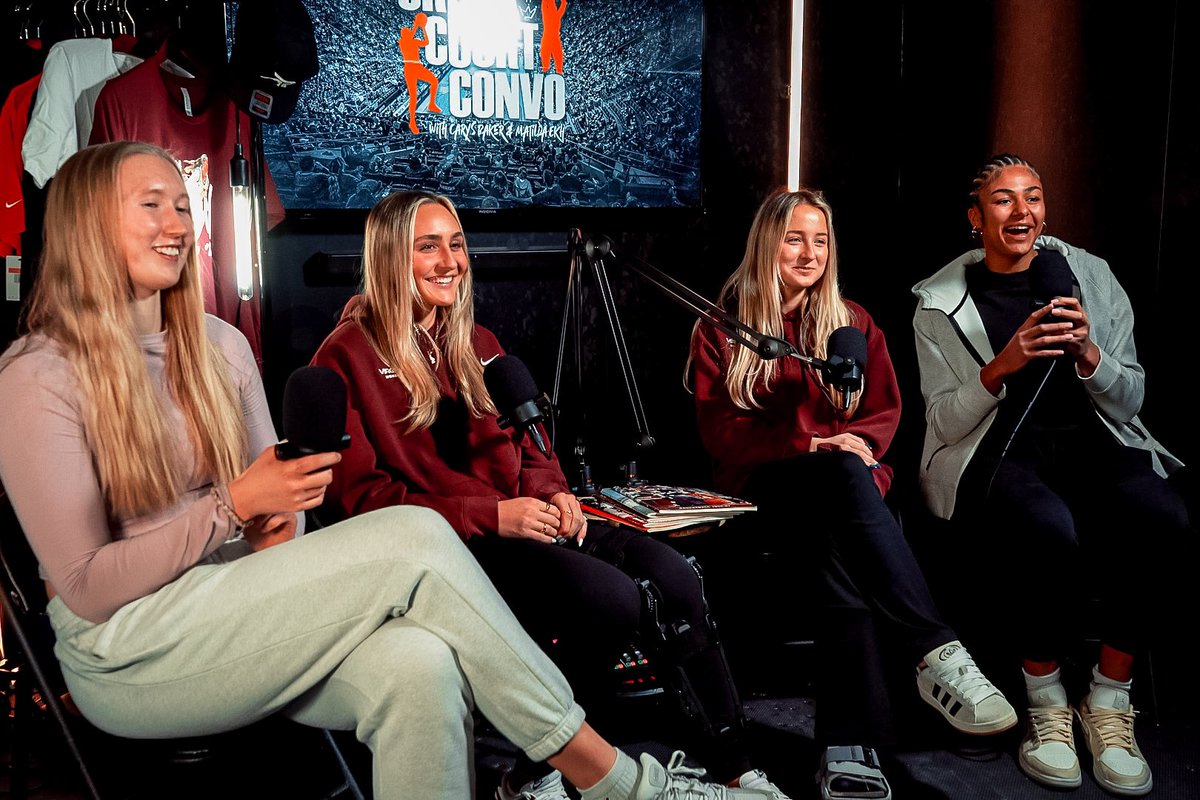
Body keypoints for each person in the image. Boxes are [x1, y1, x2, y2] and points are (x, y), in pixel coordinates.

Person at [0, 141, 766, 800]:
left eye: (182, 204)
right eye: (152, 205)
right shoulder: (37, 375)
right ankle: (617, 781)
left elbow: (284, 520)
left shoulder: (221, 346)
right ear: (89, 221)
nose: (177, 223)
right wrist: (234, 506)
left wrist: (275, 518)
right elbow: (89, 588)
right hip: (131, 649)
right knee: (412, 535)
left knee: (421, 663)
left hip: (243, 603)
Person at [310, 190, 787, 800]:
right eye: (428, 246)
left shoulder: (479, 342)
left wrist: (553, 489)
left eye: (456, 244)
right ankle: (544, 772)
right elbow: (363, 503)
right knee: (614, 602)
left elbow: (533, 442)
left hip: (530, 520)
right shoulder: (345, 355)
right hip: (458, 546)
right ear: (388, 258)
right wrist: (494, 516)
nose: (449, 260)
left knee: (677, 580)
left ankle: (738, 769)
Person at [688, 187, 1017, 799]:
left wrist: (849, 455)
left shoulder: (853, 322)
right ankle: (931, 654)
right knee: (841, 482)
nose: (809, 252)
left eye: (820, 239)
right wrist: (812, 447)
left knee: (842, 535)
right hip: (760, 500)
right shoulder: (723, 327)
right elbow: (721, 436)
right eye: (794, 238)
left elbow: (882, 418)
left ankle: (847, 742)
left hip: (842, 499)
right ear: (767, 244)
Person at [911, 153, 1191, 797]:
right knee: (1045, 527)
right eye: (1004, 200)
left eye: (1033, 197)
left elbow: (1131, 401)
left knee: (1163, 515)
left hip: (1092, 445)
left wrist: (1091, 352)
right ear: (975, 218)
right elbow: (946, 422)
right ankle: (1045, 702)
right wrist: (1003, 364)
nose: (1022, 212)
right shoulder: (939, 302)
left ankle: (1109, 699)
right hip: (998, 450)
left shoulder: (1087, 276)